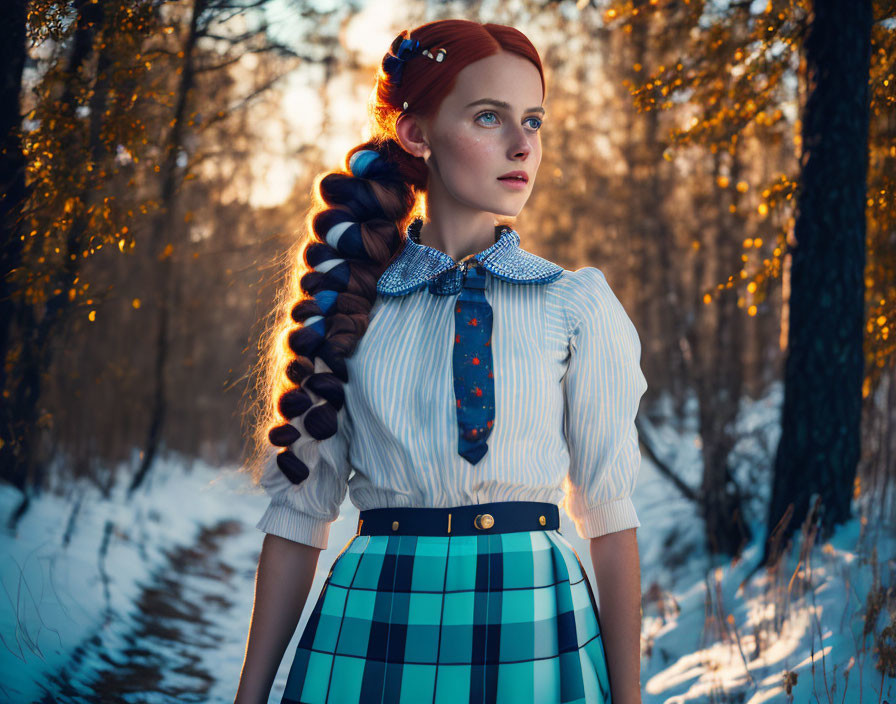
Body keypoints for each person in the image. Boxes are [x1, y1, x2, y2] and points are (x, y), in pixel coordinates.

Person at [235, 18, 647, 704]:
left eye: (534, 121)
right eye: (490, 117)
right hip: (375, 623)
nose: (523, 145)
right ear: (416, 133)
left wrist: (629, 699)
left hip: (532, 626)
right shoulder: (349, 305)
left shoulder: (575, 305)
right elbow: (298, 519)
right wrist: (249, 697)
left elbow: (610, 515)